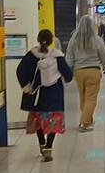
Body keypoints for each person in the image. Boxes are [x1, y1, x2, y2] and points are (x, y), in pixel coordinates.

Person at [17, 28, 73, 161]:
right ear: (51, 41)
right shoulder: (57, 56)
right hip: (54, 95)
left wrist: (27, 87)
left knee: (38, 121)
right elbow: (69, 76)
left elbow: (20, 71)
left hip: (36, 94)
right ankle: (49, 147)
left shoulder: (31, 55)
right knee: (53, 121)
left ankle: (42, 143)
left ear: (38, 40)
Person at [66, 14, 105, 131]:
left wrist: (67, 71)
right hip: (93, 70)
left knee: (83, 96)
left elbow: (69, 57)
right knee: (91, 98)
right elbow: (103, 56)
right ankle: (85, 123)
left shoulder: (73, 39)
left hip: (78, 71)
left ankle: (88, 119)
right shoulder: (97, 40)